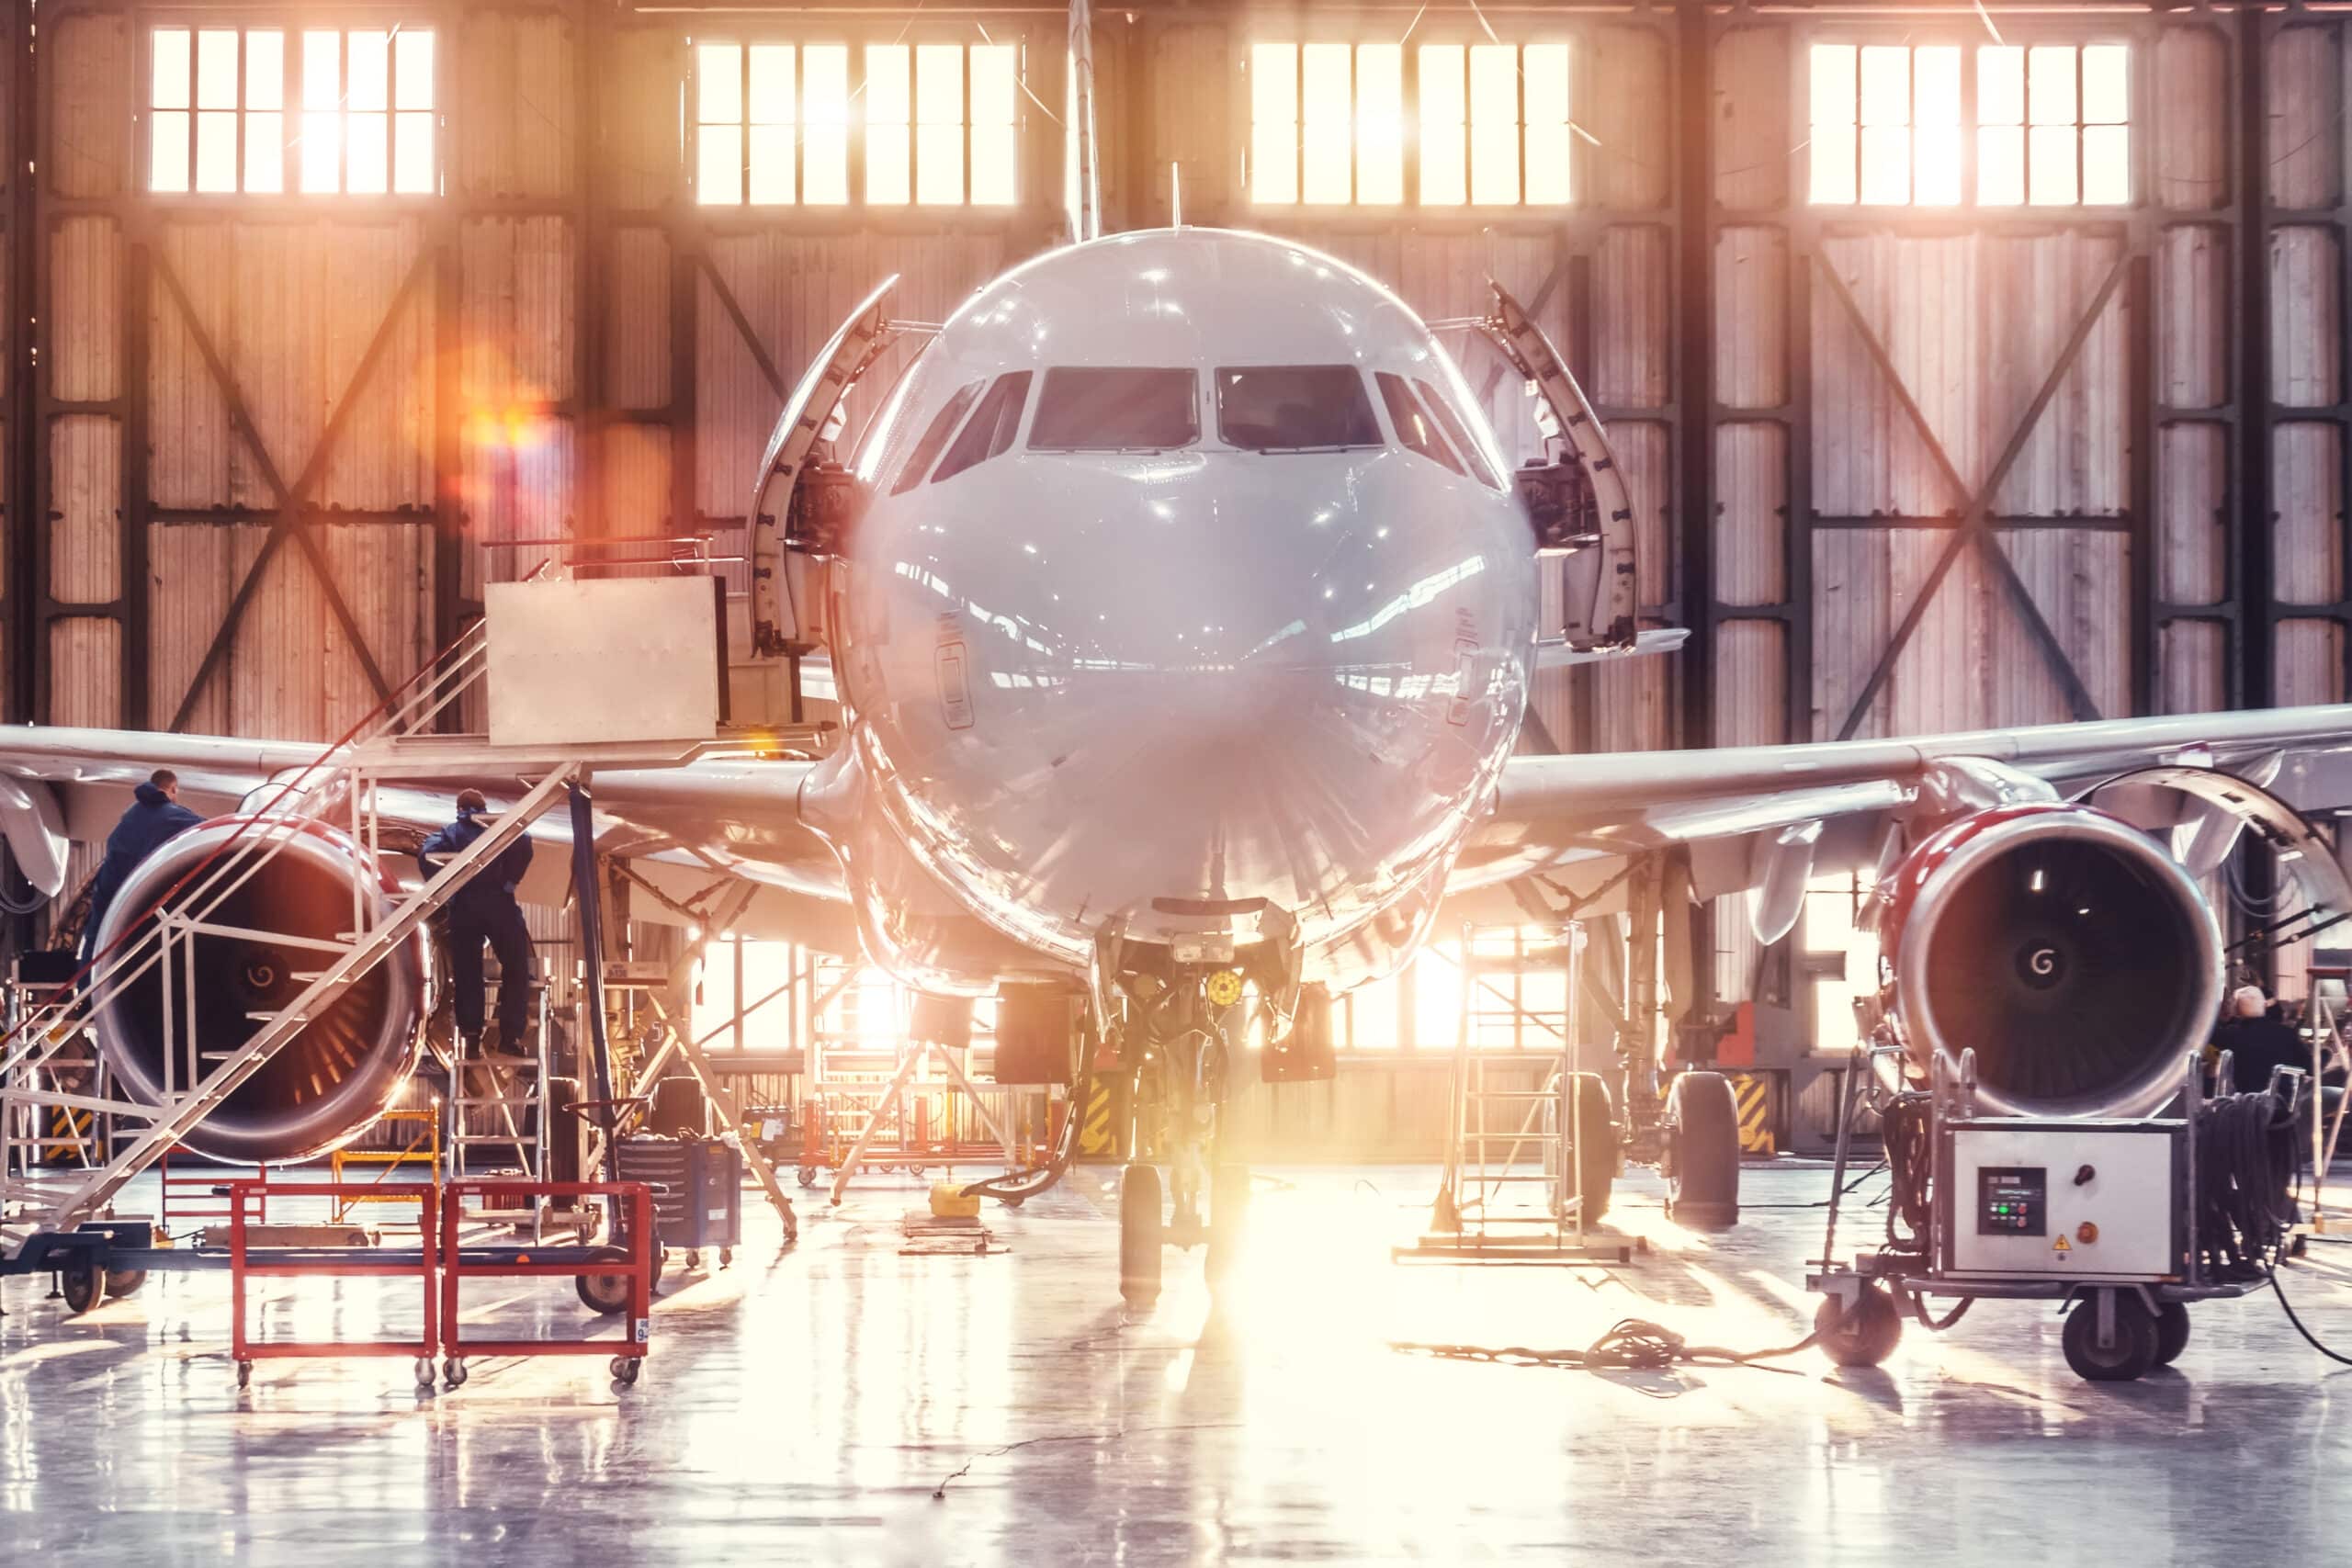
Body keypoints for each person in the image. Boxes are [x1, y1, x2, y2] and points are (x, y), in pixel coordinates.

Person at [417, 789, 537, 1061]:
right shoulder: (496, 829)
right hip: (499, 904)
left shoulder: (449, 834)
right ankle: (510, 1036)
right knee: (517, 968)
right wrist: (510, 880)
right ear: (483, 807)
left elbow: (427, 854)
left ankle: (471, 1037)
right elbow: (524, 842)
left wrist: (447, 887)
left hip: (465, 907)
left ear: (458, 808)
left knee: (468, 972)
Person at [80, 769, 202, 963]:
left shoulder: (131, 812)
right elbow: (207, 829)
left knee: (97, 942)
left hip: (109, 886)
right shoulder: (173, 815)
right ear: (173, 789)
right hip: (133, 891)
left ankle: (88, 989)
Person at [2212, 984, 2309, 1095]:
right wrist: (2325, 1053)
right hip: (2283, 1105)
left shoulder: (2231, 1035)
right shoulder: (2287, 1034)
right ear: (2263, 1006)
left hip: (2247, 1105)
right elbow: (2310, 1066)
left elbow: (2206, 1029)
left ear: (2237, 1010)